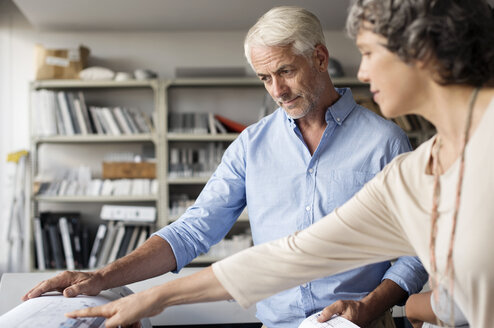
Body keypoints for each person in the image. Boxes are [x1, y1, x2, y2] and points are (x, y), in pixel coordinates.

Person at [23, 5, 428, 328]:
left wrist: (371, 305)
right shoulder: (251, 145)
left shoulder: (384, 141)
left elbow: (416, 248)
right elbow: (194, 230)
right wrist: (101, 277)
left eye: (285, 70)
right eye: (264, 78)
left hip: (361, 324)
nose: (277, 90)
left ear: (319, 57)